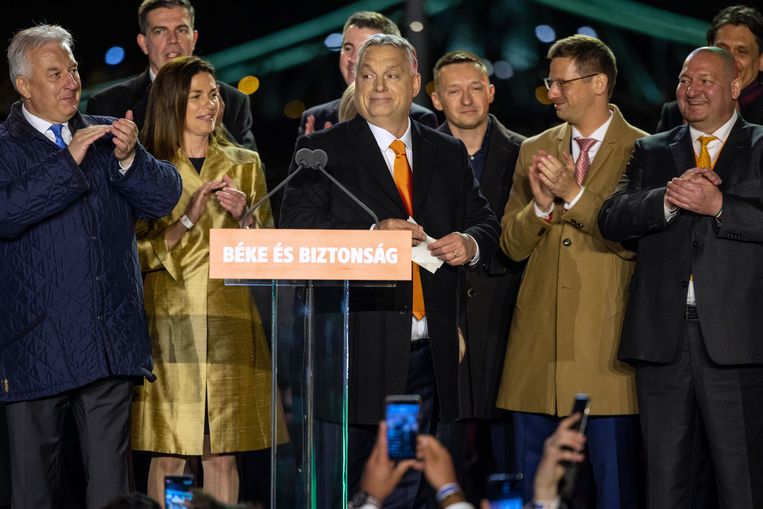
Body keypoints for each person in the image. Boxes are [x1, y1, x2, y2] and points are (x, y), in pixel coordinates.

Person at [281, 34, 499, 508]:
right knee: (355, 487)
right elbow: (295, 225)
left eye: (392, 74)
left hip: (427, 355)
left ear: (416, 82)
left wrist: (469, 242)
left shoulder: (445, 152)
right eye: (367, 74)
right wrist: (371, 231)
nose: (378, 86)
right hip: (354, 353)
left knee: (414, 485)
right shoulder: (321, 151)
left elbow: (486, 223)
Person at [0, 24, 181, 509]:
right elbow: (6, 214)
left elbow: (166, 195)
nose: (70, 81)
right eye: (55, 72)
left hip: (108, 345)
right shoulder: (5, 146)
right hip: (33, 349)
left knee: (110, 495)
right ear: (24, 86)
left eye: (73, 69)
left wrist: (130, 158)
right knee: (33, 493)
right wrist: (68, 161)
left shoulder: (105, 135)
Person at [599, 46, 763, 508]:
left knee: (742, 484)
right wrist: (668, 201)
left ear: (735, 87)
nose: (692, 90)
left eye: (706, 80)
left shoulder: (760, 144)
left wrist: (719, 207)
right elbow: (612, 217)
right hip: (662, 342)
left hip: (738, 343)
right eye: (685, 80)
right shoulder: (651, 149)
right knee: (665, 485)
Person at [495, 35, 644, 508]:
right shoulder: (534, 149)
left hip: (608, 357)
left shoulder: (645, 149)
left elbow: (634, 241)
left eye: (562, 82)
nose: (551, 92)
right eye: (550, 81)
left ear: (599, 83)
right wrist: (539, 209)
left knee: (614, 491)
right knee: (535, 493)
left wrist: (575, 196)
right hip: (538, 356)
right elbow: (510, 246)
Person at [134, 56, 285, 506]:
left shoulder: (245, 163)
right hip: (168, 324)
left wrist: (247, 221)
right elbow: (132, 253)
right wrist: (185, 221)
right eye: (196, 96)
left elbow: (269, 254)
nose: (209, 104)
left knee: (222, 454)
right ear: (173, 102)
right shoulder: (147, 164)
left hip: (230, 322)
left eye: (214, 94)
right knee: (171, 455)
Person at [430, 50, 525, 475]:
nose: (466, 100)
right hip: (437, 322)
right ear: (436, 99)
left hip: (509, 325)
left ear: (490, 93)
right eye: (454, 91)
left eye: (475, 88)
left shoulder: (527, 154)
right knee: (440, 463)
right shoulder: (414, 155)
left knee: (507, 464)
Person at [86, 0, 256, 151]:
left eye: (181, 30)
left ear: (194, 38)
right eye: (160, 31)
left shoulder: (233, 101)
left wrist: (218, 131)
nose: (173, 39)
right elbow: (99, 179)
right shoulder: (107, 105)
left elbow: (253, 177)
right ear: (143, 43)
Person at [299, 10, 437, 135]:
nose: (353, 59)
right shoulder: (315, 118)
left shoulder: (418, 118)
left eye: (365, 49)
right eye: (348, 48)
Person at [656, 4, 763, 131]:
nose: (730, 59)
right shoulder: (675, 112)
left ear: (761, 61)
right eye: (722, 49)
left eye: (742, 51)